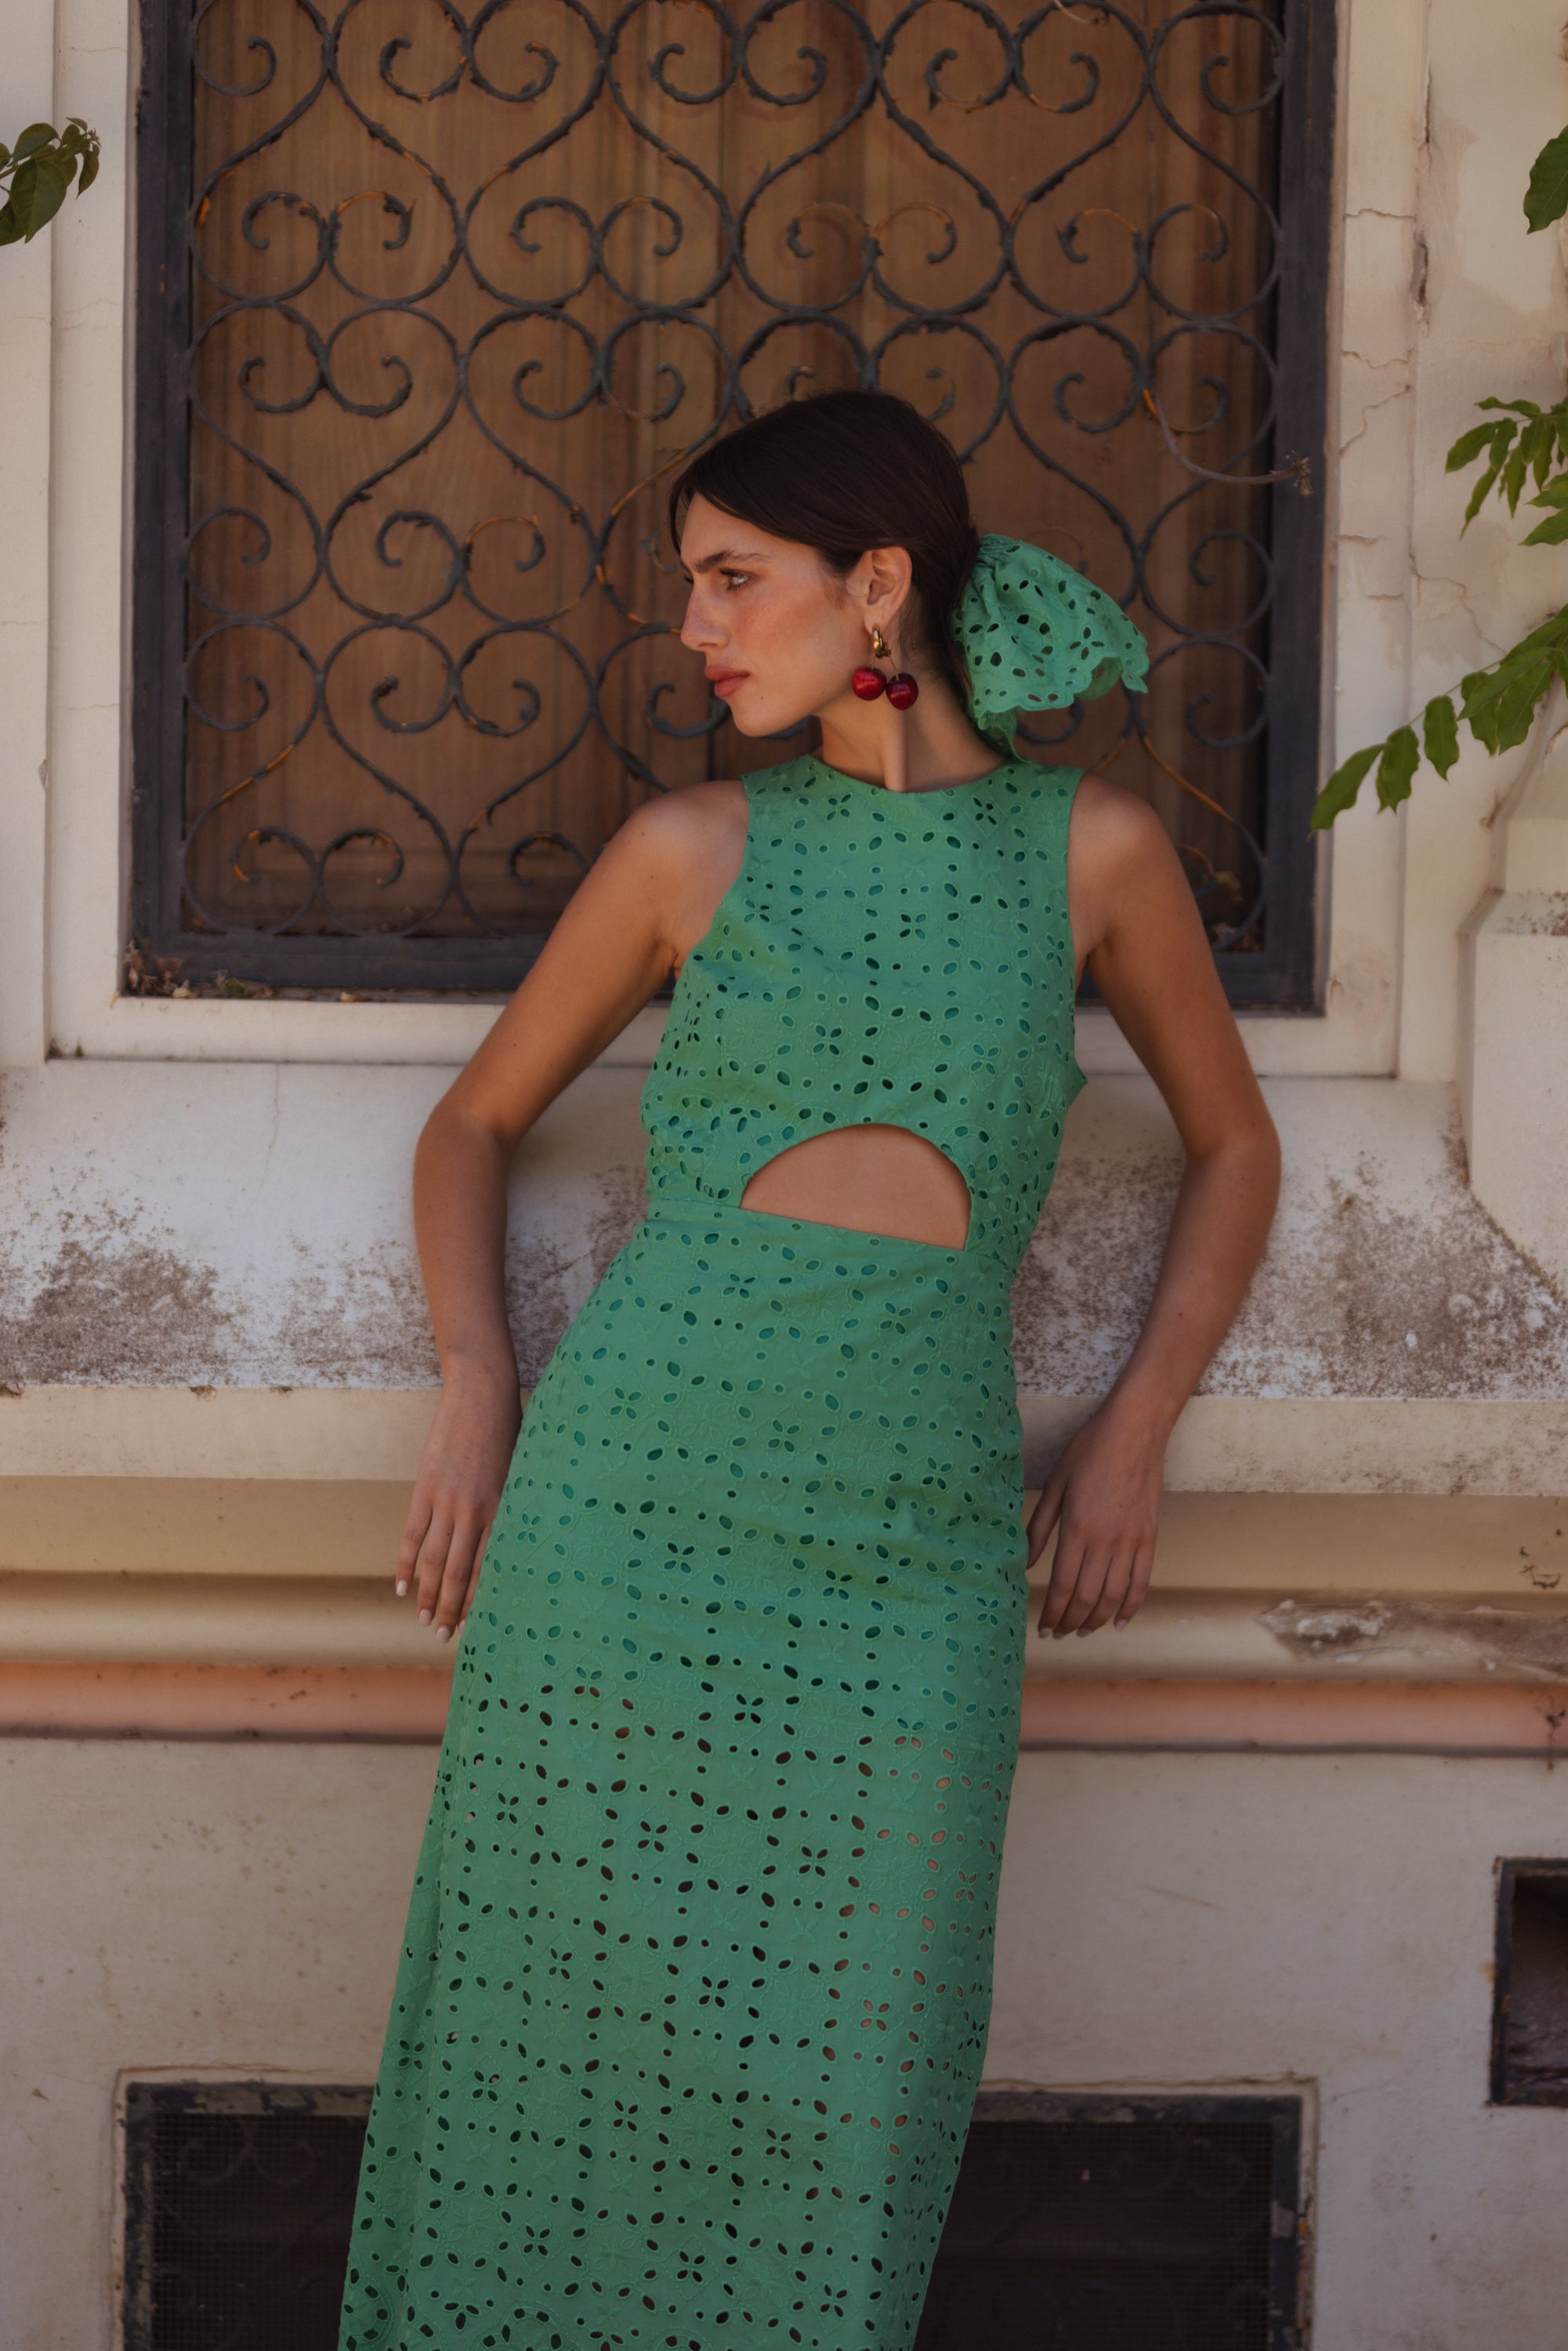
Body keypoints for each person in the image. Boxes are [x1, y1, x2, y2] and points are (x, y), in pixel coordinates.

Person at [336, 388, 1280, 2351]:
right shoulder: (690, 847)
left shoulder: (1089, 850)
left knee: (852, 2088)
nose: (692, 625)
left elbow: (1232, 1143)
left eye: (728, 578)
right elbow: (469, 1125)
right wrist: (481, 1389)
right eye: (690, 584)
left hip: (907, 1556)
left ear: (876, 584)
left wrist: (1131, 1431)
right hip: (627, 1523)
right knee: (545, 2062)